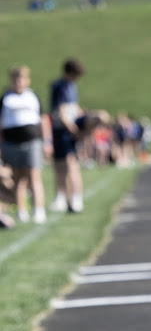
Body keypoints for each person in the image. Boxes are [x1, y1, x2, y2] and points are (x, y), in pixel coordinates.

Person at [0, 65, 51, 224]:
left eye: (21, 79)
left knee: (34, 176)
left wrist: (47, 141)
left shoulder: (32, 96)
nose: (18, 82)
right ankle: (21, 210)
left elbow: (43, 120)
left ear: (27, 80)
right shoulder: (6, 98)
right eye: (15, 79)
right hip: (11, 143)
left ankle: (38, 209)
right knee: (17, 178)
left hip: (31, 142)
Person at [49, 58, 86, 213]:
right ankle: (64, 197)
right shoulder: (61, 86)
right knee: (62, 165)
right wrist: (73, 130)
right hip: (62, 129)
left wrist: (74, 129)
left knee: (69, 165)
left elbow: (71, 109)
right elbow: (61, 112)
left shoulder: (70, 86)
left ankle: (74, 197)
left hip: (66, 130)